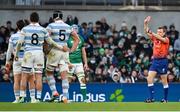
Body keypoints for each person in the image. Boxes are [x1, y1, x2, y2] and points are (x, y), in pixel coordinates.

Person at [15, 12, 64, 103]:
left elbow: (19, 43)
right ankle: (37, 98)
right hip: (39, 53)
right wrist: (60, 47)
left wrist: (16, 54)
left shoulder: (25, 29)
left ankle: (22, 97)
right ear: (38, 19)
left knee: (24, 75)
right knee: (38, 76)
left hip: (28, 53)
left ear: (30, 19)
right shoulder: (43, 29)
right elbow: (50, 42)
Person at [45, 11, 79, 103]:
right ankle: (64, 97)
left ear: (53, 18)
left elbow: (46, 37)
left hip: (54, 51)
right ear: (62, 18)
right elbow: (77, 39)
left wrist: (46, 50)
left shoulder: (51, 26)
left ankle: (55, 92)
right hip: (65, 51)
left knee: (49, 73)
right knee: (64, 75)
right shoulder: (68, 26)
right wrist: (71, 51)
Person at [144, 16, 169, 103]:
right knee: (149, 78)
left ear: (164, 33)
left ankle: (165, 99)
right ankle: (151, 98)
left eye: (160, 32)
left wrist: (153, 33)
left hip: (163, 61)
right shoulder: (155, 38)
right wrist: (145, 23)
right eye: (158, 31)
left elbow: (159, 37)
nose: (158, 33)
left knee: (164, 81)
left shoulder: (166, 39)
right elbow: (147, 32)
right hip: (155, 61)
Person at [67, 24, 89, 102]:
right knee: (68, 81)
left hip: (79, 63)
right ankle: (66, 99)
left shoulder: (81, 38)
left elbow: (83, 52)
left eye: (76, 29)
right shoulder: (67, 39)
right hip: (70, 63)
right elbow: (65, 51)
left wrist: (85, 63)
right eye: (74, 29)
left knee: (82, 80)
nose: (75, 30)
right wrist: (67, 62)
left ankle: (85, 99)